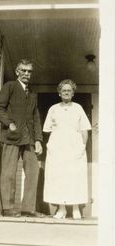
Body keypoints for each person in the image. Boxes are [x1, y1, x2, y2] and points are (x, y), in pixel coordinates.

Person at [0, 59, 43, 217]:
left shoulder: (32, 94)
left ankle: (28, 208)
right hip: (12, 137)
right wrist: (10, 124)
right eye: (23, 70)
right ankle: (8, 208)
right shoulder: (10, 87)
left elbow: (36, 118)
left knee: (34, 171)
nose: (27, 74)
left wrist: (38, 140)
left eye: (29, 71)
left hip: (29, 139)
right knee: (8, 172)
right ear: (17, 72)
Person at [43, 79, 91, 219]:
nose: (66, 92)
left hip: (74, 146)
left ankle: (75, 208)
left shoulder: (78, 108)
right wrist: (50, 146)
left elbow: (84, 131)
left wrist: (82, 147)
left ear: (73, 93)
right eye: (63, 90)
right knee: (59, 177)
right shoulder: (53, 109)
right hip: (57, 147)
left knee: (74, 176)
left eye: (69, 90)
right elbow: (47, 130)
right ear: (59, 93)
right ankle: (62, 209)